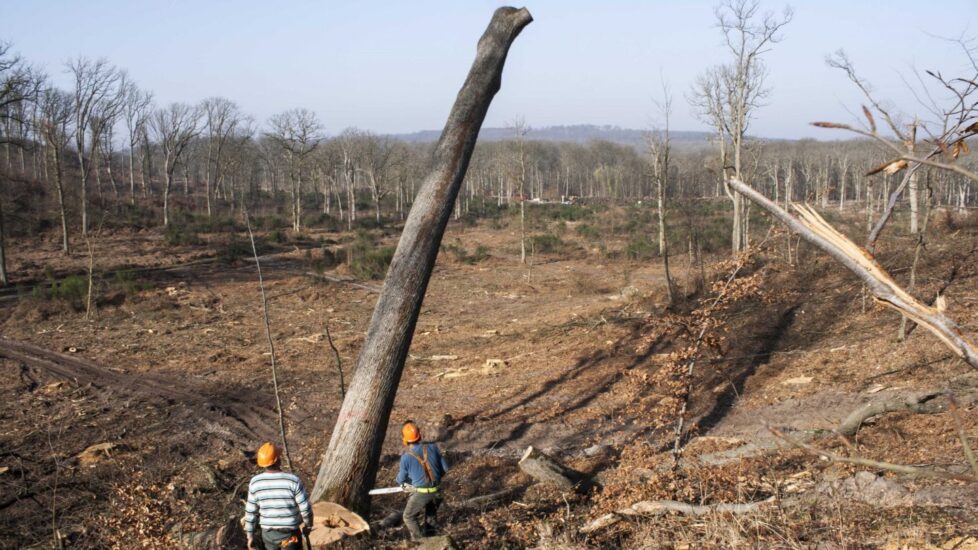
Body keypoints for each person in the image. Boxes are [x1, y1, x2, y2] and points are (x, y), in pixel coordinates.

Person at [243, 442, 313, 550]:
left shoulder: (255, 482)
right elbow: (305, 508)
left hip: (269, 535)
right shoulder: (293, 481)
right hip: (290, 534)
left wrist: (250, 535)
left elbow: (250, 512)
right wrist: (308, 525)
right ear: (278, 460)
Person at [396, 420, 449, 540]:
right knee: (430, 518)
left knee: (408, 517)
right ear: (419, 435)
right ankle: (433, 542)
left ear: (404, 440)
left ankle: (420, 543)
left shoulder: (406, 457)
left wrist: (403, 482)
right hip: (437, 491)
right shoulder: (433, 447)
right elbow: (445, 468)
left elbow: (401, 479)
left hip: (422, 493)